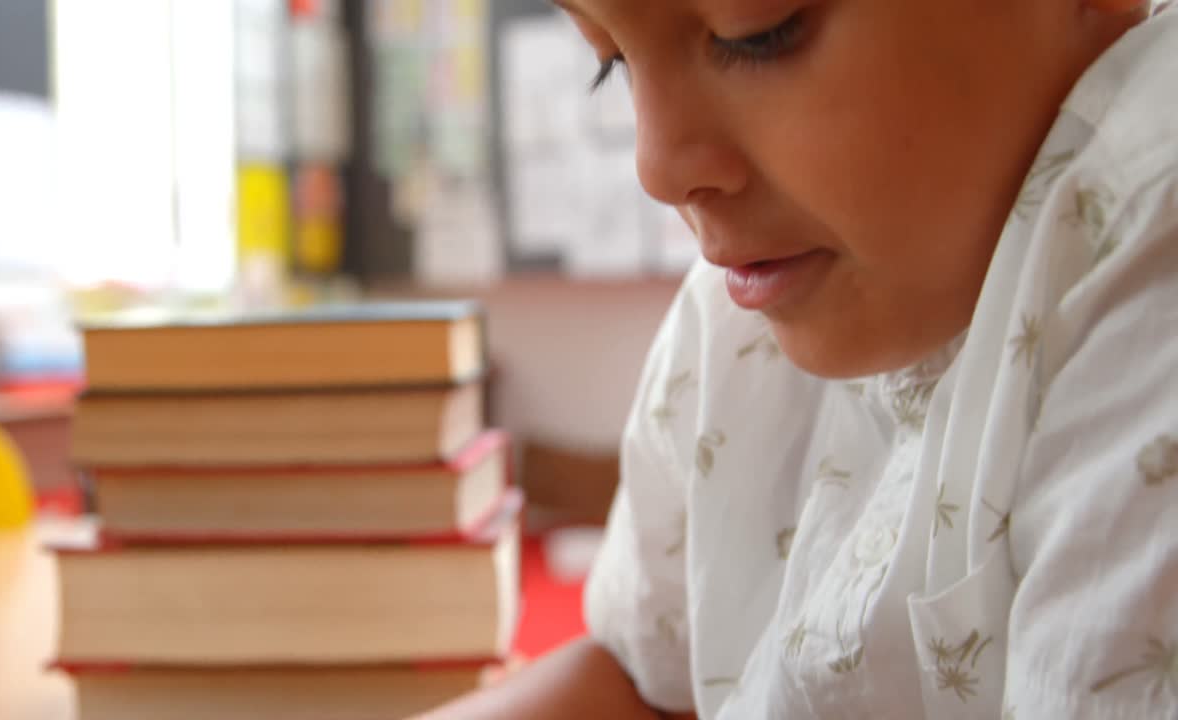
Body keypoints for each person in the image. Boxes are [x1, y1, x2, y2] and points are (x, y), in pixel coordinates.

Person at [418, 0, 1178, 717]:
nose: (656, 167)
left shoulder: (1148, 231)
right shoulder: (743, 312)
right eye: (610, 58)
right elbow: (640, 685)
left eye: (757, 32)